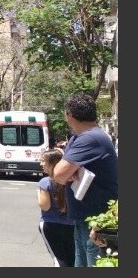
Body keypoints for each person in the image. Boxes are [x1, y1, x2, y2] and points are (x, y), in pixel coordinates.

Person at [53, 93, 118, 267]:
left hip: (96, 223)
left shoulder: (90, 138)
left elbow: (59, 174)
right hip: (84, 218)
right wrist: (68, 171)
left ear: (69, 116)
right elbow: (62, 172)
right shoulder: (78, 138)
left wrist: (68, 172)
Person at [38, 148, 75, 267]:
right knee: (72, 259)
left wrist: (39, 194)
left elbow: (45, 206)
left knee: (58, 260)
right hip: (71, 224)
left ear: (52, 163)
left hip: (51, 224)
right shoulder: (71, 180)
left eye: (43, 161)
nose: (41, 163)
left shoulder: (45, 182)